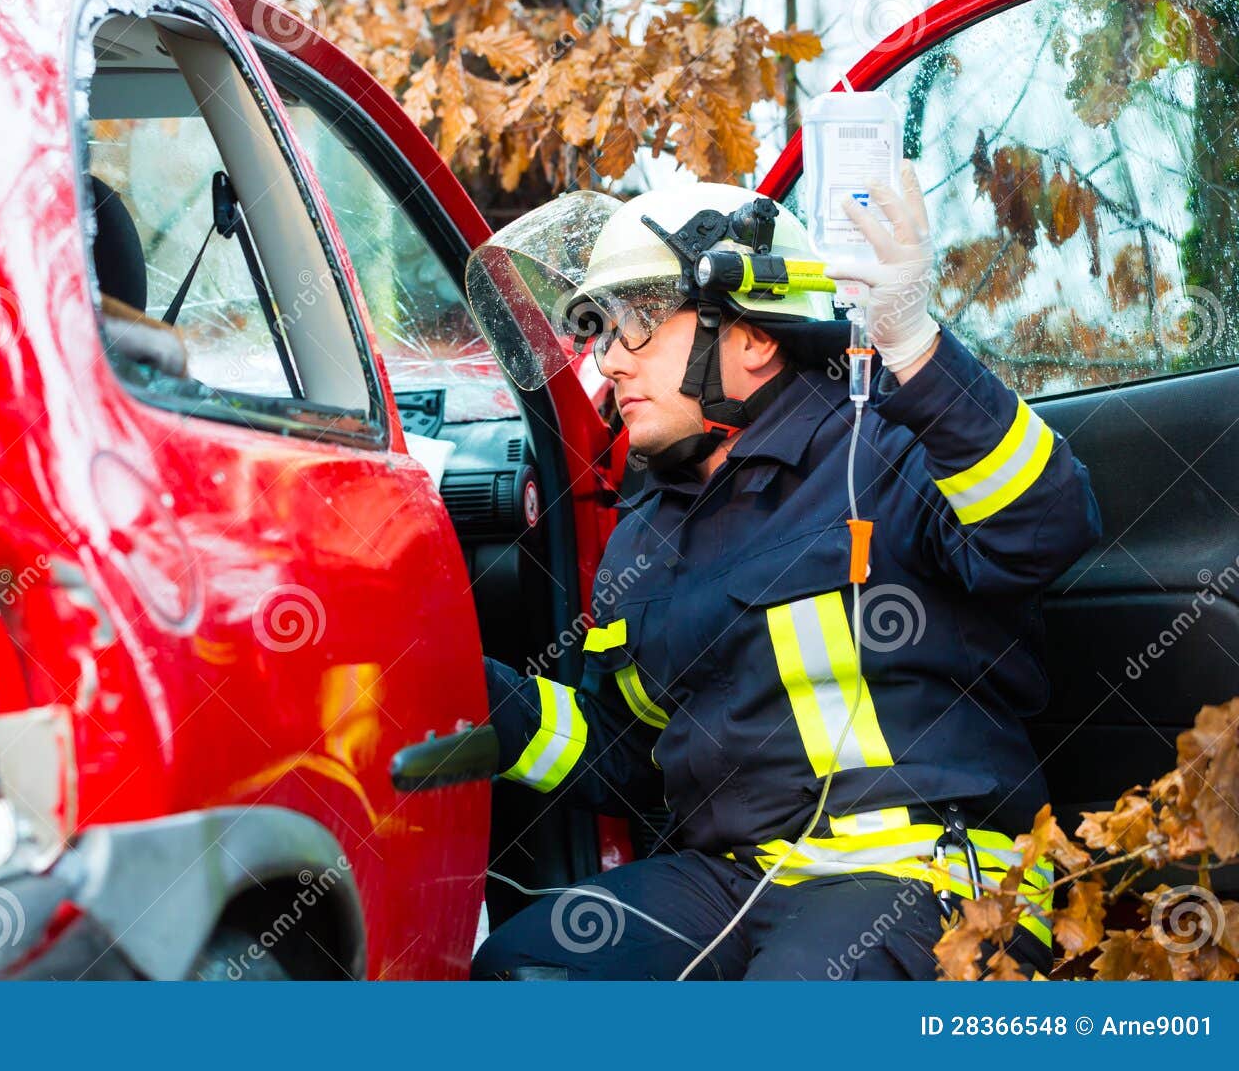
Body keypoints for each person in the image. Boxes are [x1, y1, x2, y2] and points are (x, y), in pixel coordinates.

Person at [467, 165, 1101, 980]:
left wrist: (914, 346)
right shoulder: (646, 528)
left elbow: (1046, 523)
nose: (609, 361)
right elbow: (635, 754)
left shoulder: (882, 444)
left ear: (755, 337)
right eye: (597, 330)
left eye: (636, 323)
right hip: (735, 878)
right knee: (526, 972)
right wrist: (482, 696)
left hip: (933, 874)